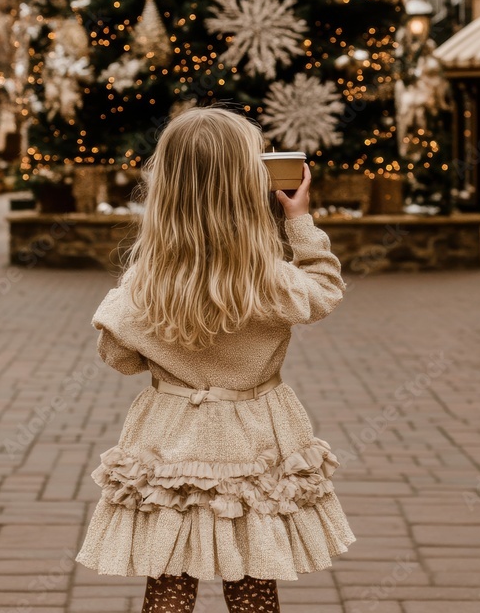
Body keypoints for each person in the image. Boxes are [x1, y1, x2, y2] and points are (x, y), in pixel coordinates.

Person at [75, 106, 355, 611]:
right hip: (256, 434)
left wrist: (167, 358)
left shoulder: (144, 283)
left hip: (169, 436)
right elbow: (325, 289)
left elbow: (117, 354)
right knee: (251, 571)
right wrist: (300, 220)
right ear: (251, 183)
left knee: (169, 572)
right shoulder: (267, 279)